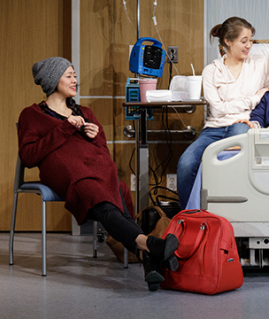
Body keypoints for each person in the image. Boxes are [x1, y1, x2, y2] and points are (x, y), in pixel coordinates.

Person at [18, 57, 178, 291]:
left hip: (96, 170)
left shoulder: (85, 112)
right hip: (66, 176)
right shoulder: (31, 115)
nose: (75, 80)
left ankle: (147, 255)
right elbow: (29, 156)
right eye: (69, 76)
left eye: (74, 75)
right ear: (53, 80)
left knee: (118, 189)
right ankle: (148, 244)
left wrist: (96, 136)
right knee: (100, 194)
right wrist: (65, 128)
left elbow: (102, 153)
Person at [176, 17, 269, 208]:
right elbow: (217, 109)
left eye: (251, 40)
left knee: (228, 161)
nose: (249, 46)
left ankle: (229, 215)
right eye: (244, 41)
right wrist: (253, 99)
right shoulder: (211, 71)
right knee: (186, 164)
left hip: (244, 124)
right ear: (228, 42)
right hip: (214, 128)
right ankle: (191, 219)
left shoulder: (262, 64)